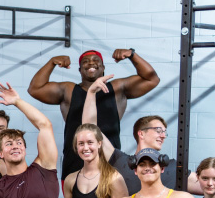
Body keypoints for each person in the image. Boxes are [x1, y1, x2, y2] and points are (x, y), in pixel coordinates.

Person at [27, 49, 159, 180]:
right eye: (85, 61)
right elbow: (35, 89)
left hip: (109, 164)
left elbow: (152, 79)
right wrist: (51, 63)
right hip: (74, 165)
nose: (91, 63)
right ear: (79, 70)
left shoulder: (118, 88)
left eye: (96, 60)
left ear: (103, 67)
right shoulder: (68, 90)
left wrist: (132, 55)